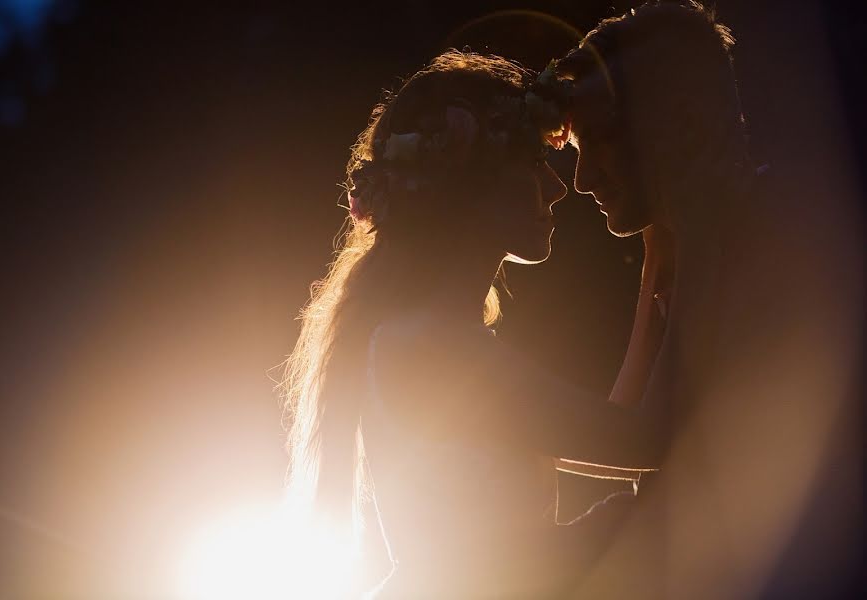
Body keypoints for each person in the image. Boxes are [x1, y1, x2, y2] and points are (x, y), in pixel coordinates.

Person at [281, 50, 668, 598]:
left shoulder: (423, 339)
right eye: (534, 163)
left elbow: (629, 431)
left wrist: (658, 254)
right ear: (472, 182)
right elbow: (643, 441)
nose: (557, 188)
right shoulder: (430, 349)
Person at [556, 2, 864, 597]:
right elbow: (629, 424)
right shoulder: (678, 254)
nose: (583, 178)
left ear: (679, 124)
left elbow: (675, 441)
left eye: (600, 141)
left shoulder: (791, 238)